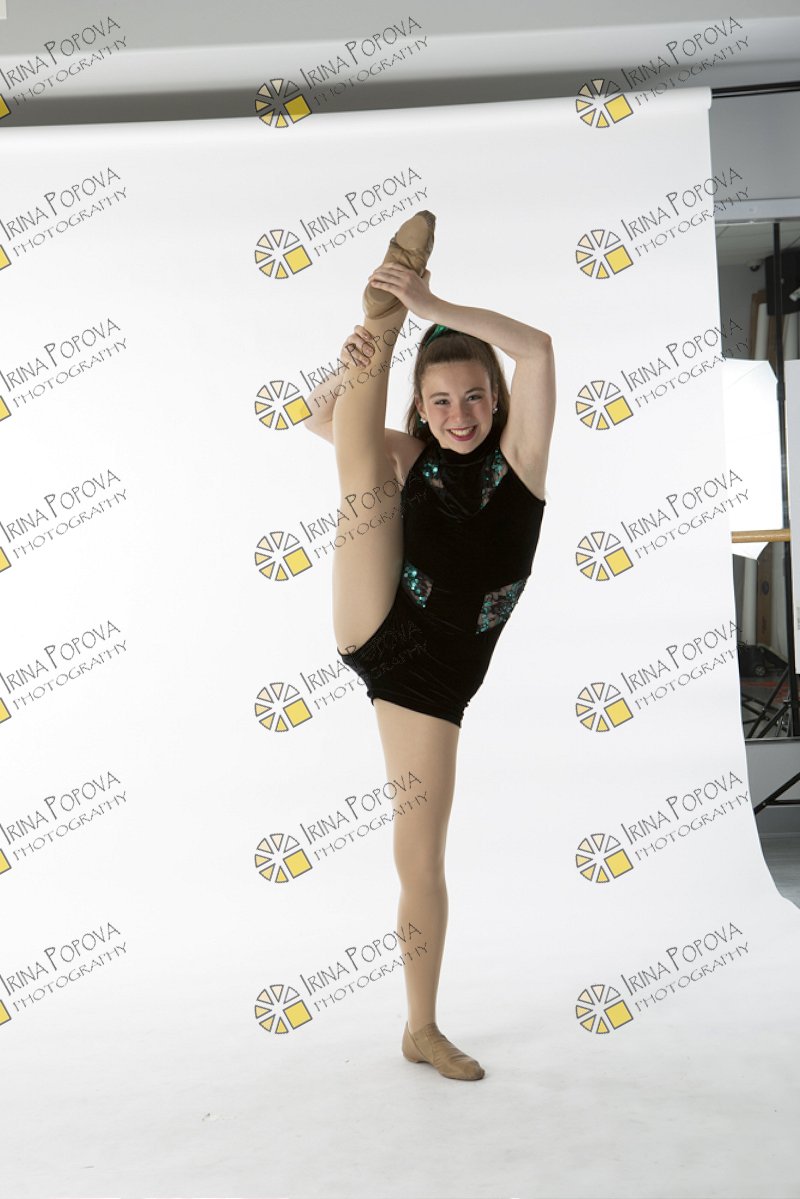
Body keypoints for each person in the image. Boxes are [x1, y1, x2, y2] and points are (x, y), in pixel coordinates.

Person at [304, 210, 556, 1080]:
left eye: (474, 397)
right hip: (378, 617)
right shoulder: (415, 455)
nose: (459, 414)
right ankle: (375, 325)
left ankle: (420, 1028)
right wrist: (352, 364)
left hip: (434, 682)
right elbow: (320, 420)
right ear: (420, 405)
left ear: (499, 400)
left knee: (419, 857)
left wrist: (431, 303)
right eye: (440, 401)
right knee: (361, 471)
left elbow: (538, 348)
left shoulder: (522, 463)